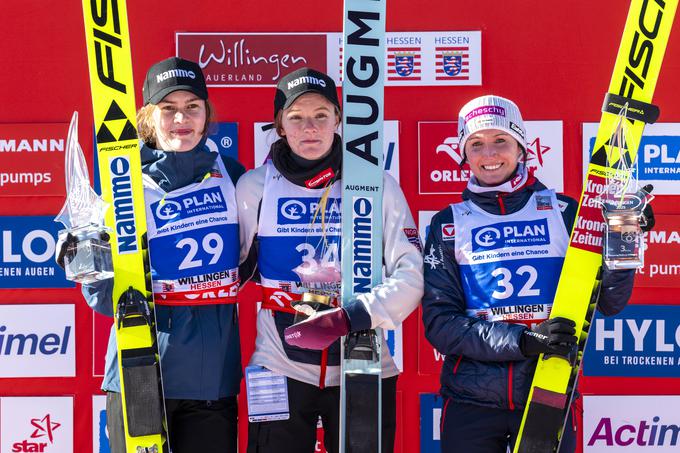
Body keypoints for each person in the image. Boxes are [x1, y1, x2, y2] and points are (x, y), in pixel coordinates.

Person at [421, 95, 643, 453]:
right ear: (463, 154)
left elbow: (611, 301)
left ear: (521, 147)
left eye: (501, 142)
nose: (489, 155)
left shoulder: (563, 212)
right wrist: (522, 340)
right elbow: (441, 325)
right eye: (476, 144)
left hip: (549, 388)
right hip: (470, 401)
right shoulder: (449, 223)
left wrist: (624, 236)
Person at [59, 57, 244, 453]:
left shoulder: (232, 175)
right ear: (148, 117)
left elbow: (252, 260)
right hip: (138, 370)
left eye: (193, 107)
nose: (182, 118)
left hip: (212, 380)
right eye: (169, 108)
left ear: (207, 114)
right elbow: (105, 298)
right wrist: (85, 259)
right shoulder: (122, 184)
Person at [237, 67, 423, 453]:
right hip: (277, 363)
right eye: (297, 117)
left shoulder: (376, 184)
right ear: (279, 125)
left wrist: (350, 315)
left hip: (364, 359)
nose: (310, 127)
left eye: (321, 115)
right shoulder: (255, 187)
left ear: (338, 119)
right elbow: (228, 270)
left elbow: (411, 273)